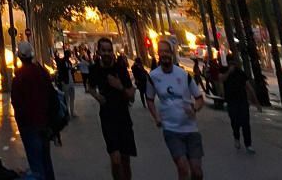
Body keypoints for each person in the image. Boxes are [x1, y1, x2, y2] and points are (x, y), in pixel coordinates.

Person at [146, 38, 205, 180]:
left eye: (167, 51)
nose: (164, 54)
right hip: (171, 130)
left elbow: (199, 98)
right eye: (161, 52)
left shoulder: (184, 75)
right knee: (183, 168)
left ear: (172, 53)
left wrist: (195, 108)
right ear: (158, 53)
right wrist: (156, 117)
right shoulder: (153, 76)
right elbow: (150, 99)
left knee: (197, 172)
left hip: (191, 129)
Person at [86, 36, 137, 180]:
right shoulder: (94, 69)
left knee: (125, 159)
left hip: (124, 118)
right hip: (107, 119)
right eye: (104, 50)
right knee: (115, 159)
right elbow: (89, 86)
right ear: (99, 51)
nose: (107, 53)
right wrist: (97, 96)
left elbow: (131, 94)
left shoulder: (120, 69)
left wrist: (119, 86)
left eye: (109, 50)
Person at [10, 41, 55, 180]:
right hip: (44, 123)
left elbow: (16, 101)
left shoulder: (19, 77)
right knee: (46, 161)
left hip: (29, 125)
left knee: (36, 163)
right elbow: (52, 95)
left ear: (19, 56)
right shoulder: (42, 72)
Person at [221, 52, 256, 153]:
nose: (232, 65)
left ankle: (248, 144)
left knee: (245, 123)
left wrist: (254, 101)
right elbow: (221, 79)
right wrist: (228, 72)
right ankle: (236, 137)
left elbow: (248, 87)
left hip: (242, 101)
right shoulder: (223, 71)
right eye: (230, 63)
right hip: (231, 101)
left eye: (234, 63)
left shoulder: (241, 73)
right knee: (235, 122)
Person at [54, 51, 77, 119]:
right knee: (66, 98)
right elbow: (60, 71)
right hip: (66, 82)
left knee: (72, 97)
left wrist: (73, 69)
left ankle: (72, 112)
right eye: (69, 54)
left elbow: (70, 71)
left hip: (71, 81)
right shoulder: (62, 62)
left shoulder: (69, 62)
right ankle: (68, 113)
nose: (70, 55)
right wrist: (62, 81)